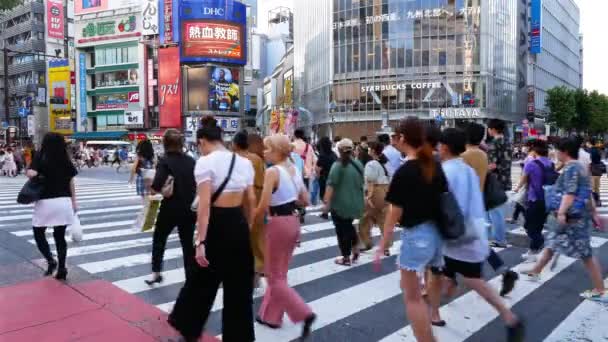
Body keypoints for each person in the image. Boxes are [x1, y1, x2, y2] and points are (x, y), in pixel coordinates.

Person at [428, 128, 525, 341]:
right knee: (463, 278)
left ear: (444, 147)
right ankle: (438, 307)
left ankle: (509, 317)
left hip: (456, 237)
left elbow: (447, 206)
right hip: (472, 231)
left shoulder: (446, 171)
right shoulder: (466, 169)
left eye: (439, 145)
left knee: (472, 281)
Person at [168, 116, 256, 342]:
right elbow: (251, 202)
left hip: (216, 225)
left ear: (202, 142)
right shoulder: (244, 163)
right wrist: (247, 228)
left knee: (200, 283)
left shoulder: (205, 163)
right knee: (239, 291)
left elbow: (204, 207)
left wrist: (201, 242)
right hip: (238, 224)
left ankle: (188, 333)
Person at [374, 117, 447, 342]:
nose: (395, 141)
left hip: (416, 235)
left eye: (396, 137)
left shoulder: (405, 172)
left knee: (412, 298)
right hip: (438, 234)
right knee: (430, 280)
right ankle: (434, 317)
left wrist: (383, 245)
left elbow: (393, 214)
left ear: (403, 138)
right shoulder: (434, 165)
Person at [522, 137, 607, 302]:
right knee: (553, 242)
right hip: (576, 216)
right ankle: (536, 271)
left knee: (585, 254)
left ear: (565, 152)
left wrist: (561, 213)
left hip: (573, 218)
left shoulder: (571, 168)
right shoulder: (580, 167)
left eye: (557, 150)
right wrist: (593, 210)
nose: (555, 153)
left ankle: (600, 289)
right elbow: (587, 190)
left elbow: (570, 193)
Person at [254, 134, 316, 338]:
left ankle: (303, 313)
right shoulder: (294, 169)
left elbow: (262, 206)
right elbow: (305, 200)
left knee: (273, 276)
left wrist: (248, 221)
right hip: (293, 221)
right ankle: (271, 316)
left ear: (277, 151)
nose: (264, 152)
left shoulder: (272, 172)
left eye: (267, 149)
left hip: (278, 223)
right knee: (280, 273)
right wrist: (288, 200)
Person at [462, 122, 518, 297]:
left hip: (466, 204)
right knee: (476, 242)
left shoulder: (465, 156)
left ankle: (451, 278)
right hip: (478, 201)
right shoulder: (482, 154)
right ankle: (502, 272)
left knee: (462, 242)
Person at [144, 129, 196, 286]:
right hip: (189, 208)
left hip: (170, 208)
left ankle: (156, 273)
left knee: (159, 239)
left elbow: (156, 186)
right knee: (187, 244)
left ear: (165, 143)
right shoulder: (191, 161)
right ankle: (191, 277)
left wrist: (150, 184)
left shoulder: (165, 161)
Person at [27, 133, 78, 281]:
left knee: (38, 232)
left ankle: (50, 259)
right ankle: (62, 267)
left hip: (45, 202)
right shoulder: (65, 158)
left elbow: (31, 173)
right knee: (59, 236)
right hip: (64, 201)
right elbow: (71, 182)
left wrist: (34, 173)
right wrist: (74, 202)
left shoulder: (40, 156)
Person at [323, 138, 364, 266]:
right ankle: (355, 247)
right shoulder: (358, 164)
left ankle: (346, 257)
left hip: (340, 204)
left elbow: (330, 186)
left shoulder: (338, 165)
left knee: (342, 230)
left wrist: (326, 203)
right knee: (349, 226)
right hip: (356, 202)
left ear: (339, 150)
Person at [513, 140, 553, 263]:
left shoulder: (531, 164)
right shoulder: (550, 163)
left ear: (535, 151)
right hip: (547, 198)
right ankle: (533, 251)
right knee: (538, 226)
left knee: (529, 227)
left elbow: (524, 179)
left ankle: (543, 246)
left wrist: (517, 188)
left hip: (534, 199)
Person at [233, 132, 266, 278]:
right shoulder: (257, 159)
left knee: (242, 237)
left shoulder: (237, 159)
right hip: (258, 198)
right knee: (257, 236)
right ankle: (260, 267)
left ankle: (247, 269)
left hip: (242, 200)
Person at [359, 142, 391, 254]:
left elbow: (370, 181)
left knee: (364, 219)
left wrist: (368, 196)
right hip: (385, 191)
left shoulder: (371, 164)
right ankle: (386, 246)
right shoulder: (386, 162)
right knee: (383, 219)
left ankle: (366, 242)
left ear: (372, 150)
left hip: (375, 191)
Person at [486, 119, 512, 248]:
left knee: (495, 211)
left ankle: (499, 239)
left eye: (488, 128)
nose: (488, 130)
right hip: (505, 179)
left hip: (495, 180)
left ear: (493, 129)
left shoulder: (494, 143)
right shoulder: (507, 141)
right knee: (497, 210)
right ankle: (498, 237)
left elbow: (492, 165)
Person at [316, 137, 337, 219]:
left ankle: (325, 212)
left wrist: (318, 176)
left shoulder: (322, 155)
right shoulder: (333, 154)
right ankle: (328, 211)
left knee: (325, 195)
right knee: (331, 195)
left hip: (325, 177)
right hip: (333, 177)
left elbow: (318, 168)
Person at [588, 138, 604, 206]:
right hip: (598, 170)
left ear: (590, 143)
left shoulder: (590, 151)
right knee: (597, 187)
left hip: (592, 170)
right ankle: (598, 201)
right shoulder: (598, 150)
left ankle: (594, 201)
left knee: (593, 187)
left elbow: (590, 161)